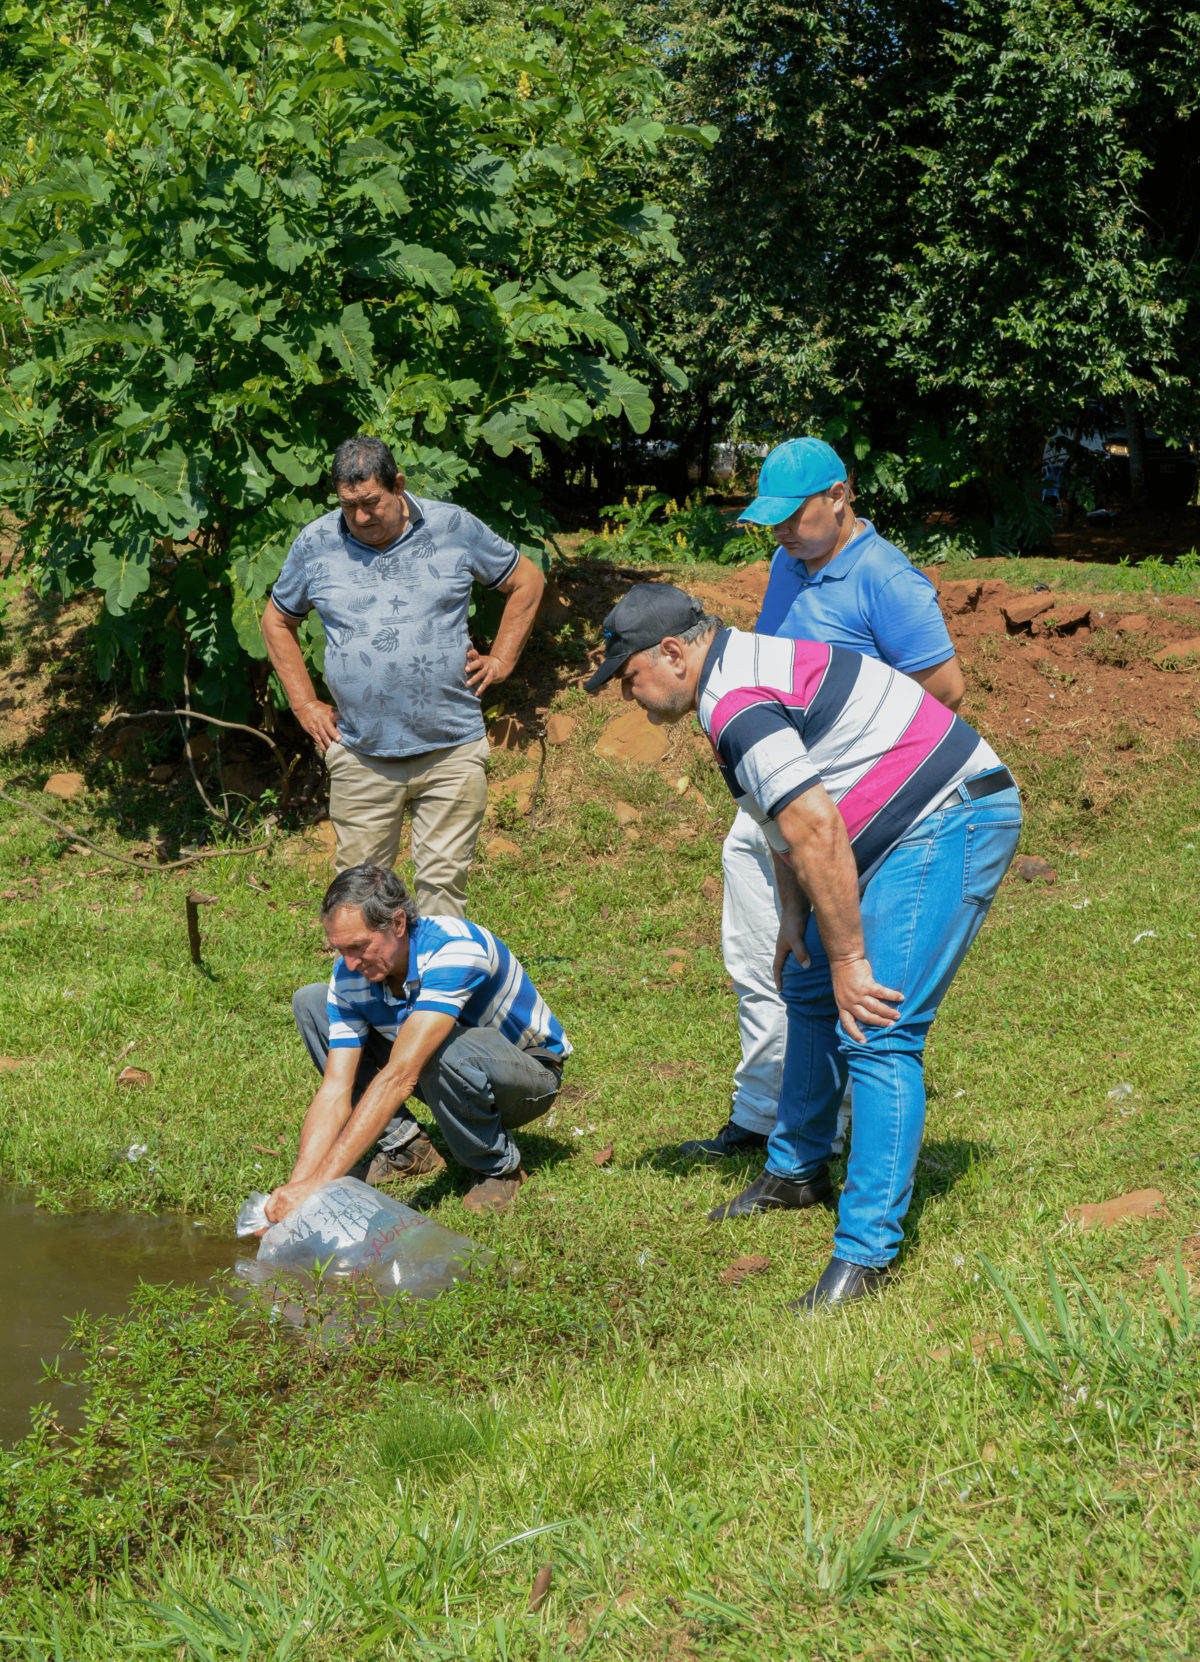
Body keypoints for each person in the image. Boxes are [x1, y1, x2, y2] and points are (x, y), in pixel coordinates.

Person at [585, 584, 1020, 1312]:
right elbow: (780, 819)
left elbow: (816, 825)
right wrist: (796, 917)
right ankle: (796, 1171)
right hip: (888, 826)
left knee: (879, 1026)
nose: (629, 694)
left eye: (629, 676)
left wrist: (852, 960)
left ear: (671, 652)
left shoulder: (736, 702)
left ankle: (867, 1255)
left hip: (950, 815)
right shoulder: (728, 684)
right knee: (809, 984)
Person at [681, 437, 966, 1160]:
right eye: (770, 516)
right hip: (776, 784)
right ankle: (762, 1109)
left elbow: (945, 691)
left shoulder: (888, 580)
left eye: (793, 513)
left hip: (847, 806)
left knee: (843, 962)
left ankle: (829, 1123)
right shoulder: (789, 562)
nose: (778, 529)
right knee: (760, 957)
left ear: (840, 496)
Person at [263, 435, 545, 917]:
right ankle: (369, 990)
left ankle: (439, 988)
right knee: (361, 898)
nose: (361, 516)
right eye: (349, 505)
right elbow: (277, 620)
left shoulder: (452, 526)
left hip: (450, 748)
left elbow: (527, 580)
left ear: (398, 485)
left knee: (441, 888)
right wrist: (305, 704)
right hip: (361, 752)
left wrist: (501, 660)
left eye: (371, 502)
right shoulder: (317, 542)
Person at [265, 864, 570, 1220]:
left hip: (527, 1077)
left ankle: (496, 1166)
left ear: (397, 923)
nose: (349, 962)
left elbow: (401, 1075)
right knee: (313, 1002)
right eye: (339, 949)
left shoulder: (454, 948)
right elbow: (335, 1091)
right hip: (441, 1069)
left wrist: (319, 1184)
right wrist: (297, 1188)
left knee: (437, 1046)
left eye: (359, 946)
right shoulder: (350, 972)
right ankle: (406, 1148)